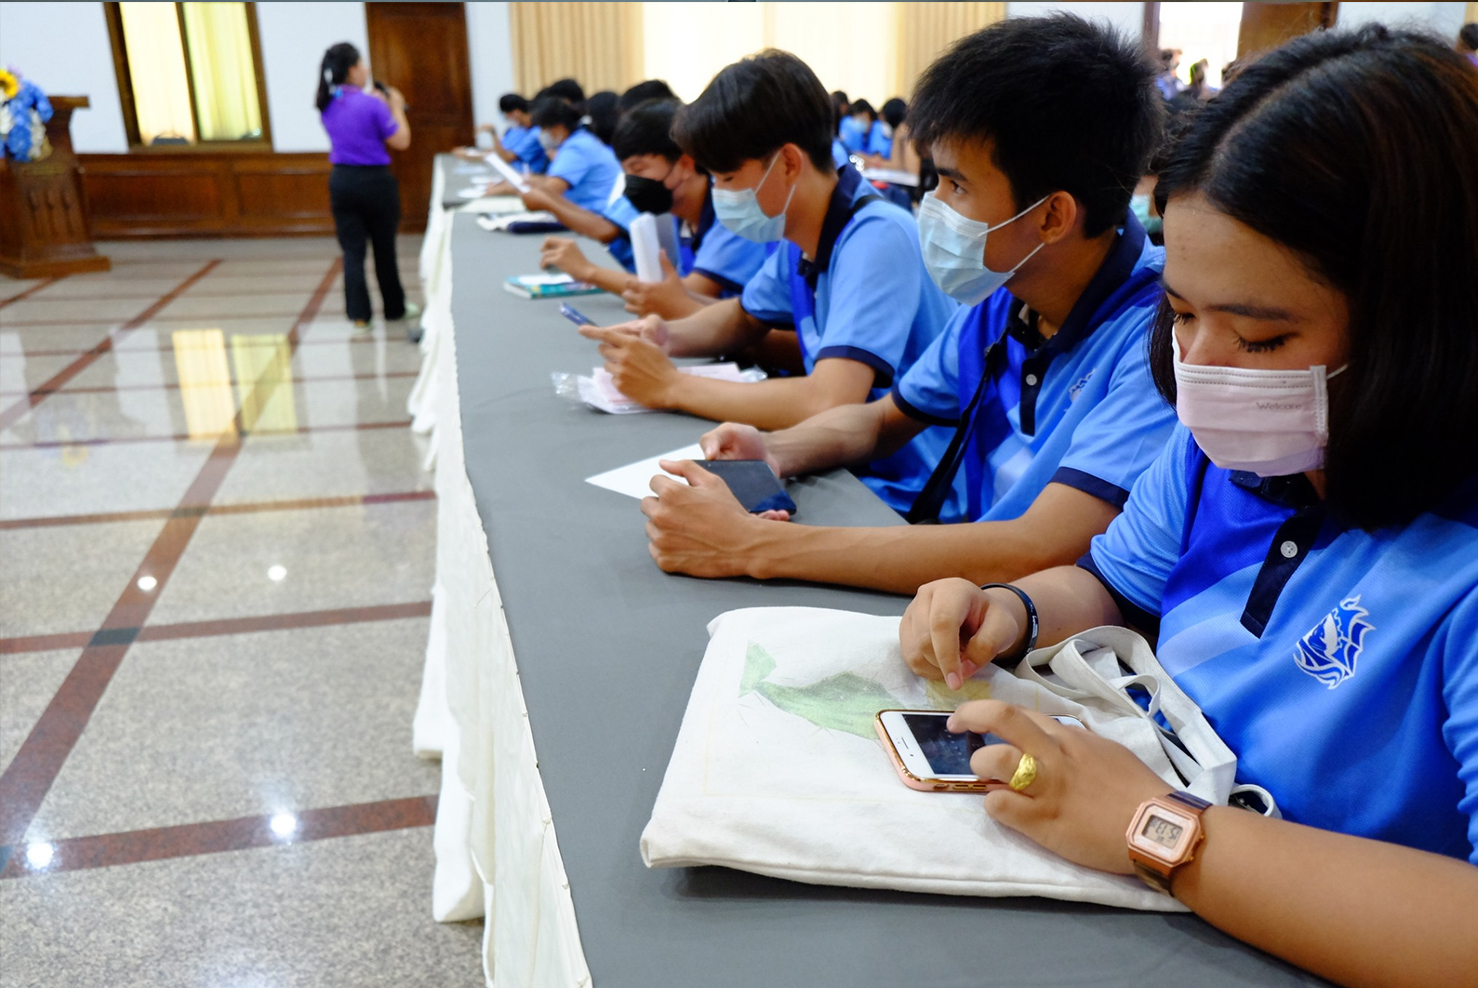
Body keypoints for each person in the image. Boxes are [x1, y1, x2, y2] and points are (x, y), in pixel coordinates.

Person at [899, 27, 1478, 988]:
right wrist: (1014, 610)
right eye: (1180, 313)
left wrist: (1154, 830)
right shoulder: (1230, 451)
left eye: (1258, 336)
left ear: (1428, 324)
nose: (1200, 372)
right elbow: (1113, 583)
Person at [641, 16, 1176, 594]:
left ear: (1050, 216)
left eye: (955, 185)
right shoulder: (1008, 296)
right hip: (950, 581)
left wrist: (756, 547)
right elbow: (881, 420)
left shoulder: (1159, 338)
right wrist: (772, 449)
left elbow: (1036, 550)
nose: (932, 205)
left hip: (1016, 618)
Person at [576, 50, 958, 513]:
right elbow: (740, 319)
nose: (720, 192)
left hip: (905, 488)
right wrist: (665, 335)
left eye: (728, 176)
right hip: (843, 464)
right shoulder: (803, 233)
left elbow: (830, 399)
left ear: (789, 163)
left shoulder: (878, 236)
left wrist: (671, 386)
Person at [537, 99, 772, 320]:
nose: (633, 183)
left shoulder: (732, 213)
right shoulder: (678, 213)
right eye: (627, 173)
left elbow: (685, 293)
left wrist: (588, 271)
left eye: (639, 170)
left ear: (686, 164)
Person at [315, 42, 418, 335]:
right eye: (362, 64)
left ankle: (360, 316)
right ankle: (394, 308)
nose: (367, 70)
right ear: (352, 69)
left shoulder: (327, 103)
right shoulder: (372, 103)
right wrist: (395, 106)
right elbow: (402, 141)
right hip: (375, 182)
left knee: (352, 251)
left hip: (341, 181)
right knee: (384, 249)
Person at [482, 96, 621, 213]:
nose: (542, 135)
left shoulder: (576, 149)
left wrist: (510, 188)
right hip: (586, 211)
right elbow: (554, 181)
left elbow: (548, 193)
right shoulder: (580, 141)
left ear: (558, 128)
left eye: (544, 129)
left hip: (592, 214)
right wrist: (526, 180)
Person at [469, 93, 547, 174]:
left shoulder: (535, 133)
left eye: (507, 116)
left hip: (529, 176)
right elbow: (502, 149)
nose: (507, 120)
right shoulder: (520, 130)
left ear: (516, 112)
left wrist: (493, 133)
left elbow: (505, 157)